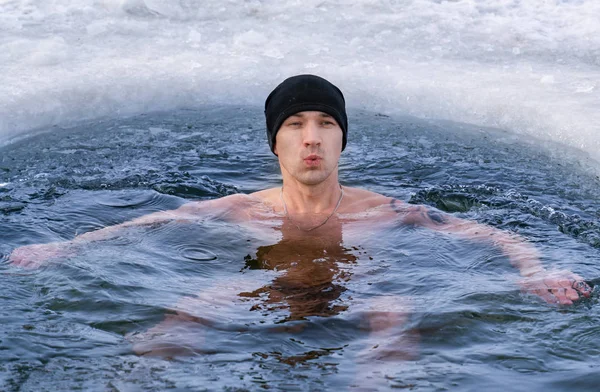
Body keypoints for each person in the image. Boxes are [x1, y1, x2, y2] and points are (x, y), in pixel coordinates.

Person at [9, 74, 592, 357]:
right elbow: (145, 225)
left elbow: (492, 233)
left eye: (326, 125)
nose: (311, 139)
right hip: (263, 291)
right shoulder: (239, 209)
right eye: (295, 126)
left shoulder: (388, 210)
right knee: (187, 313)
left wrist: (534, 270)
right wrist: (65, 248)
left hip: (363, 292)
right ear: (274, 144)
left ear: (343, 142)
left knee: (394, 319)